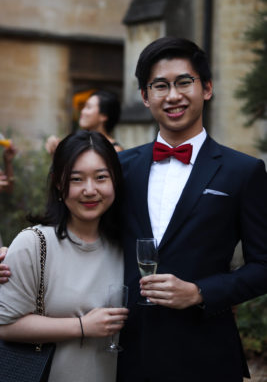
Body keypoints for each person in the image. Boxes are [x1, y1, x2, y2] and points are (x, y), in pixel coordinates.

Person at [115, 37, 267, 382]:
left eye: (184, 82)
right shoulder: (120, 167)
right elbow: (84, 229)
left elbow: (263, 265)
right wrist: (22, 254)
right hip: (128, 351)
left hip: (206, 352)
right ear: (145, 97)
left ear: (207, 88)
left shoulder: (243, 171)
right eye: (160, 86)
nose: (173, 95)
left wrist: (200, 292)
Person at [0, 130, 128, 382]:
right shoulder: (34, 244)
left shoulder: (124, 245)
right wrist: (82, 327)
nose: (90, 190)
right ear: (58, 183)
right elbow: (5, 325)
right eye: (76, 179)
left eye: (101, 177)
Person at [45, 90, 123, 155]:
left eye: (88, 107)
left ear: (104, 116)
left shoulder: (115, 151)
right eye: (84, 107)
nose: (82, 111)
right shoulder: (77, 144)